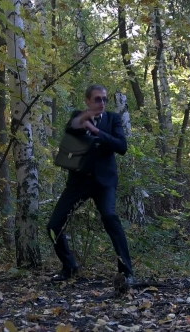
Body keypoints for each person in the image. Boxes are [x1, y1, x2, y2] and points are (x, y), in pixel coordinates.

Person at [47, 84, 134, 287]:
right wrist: (85, 119)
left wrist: (96, 131)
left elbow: (121, 146)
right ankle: (69, 267)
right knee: (54, 225)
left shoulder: (113, 119)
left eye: (104, 99)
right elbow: (71, 127)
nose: (102, 103)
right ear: (87, 101)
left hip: (104, 182)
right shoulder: (78, 116)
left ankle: (126, 271)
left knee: (110, 216)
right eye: (97, 99)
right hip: (79, 181)